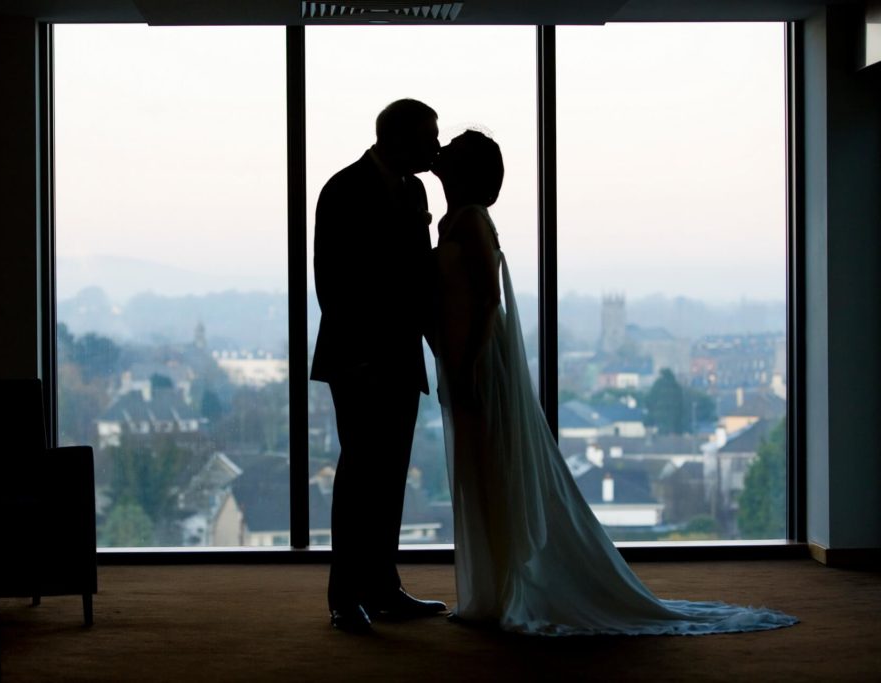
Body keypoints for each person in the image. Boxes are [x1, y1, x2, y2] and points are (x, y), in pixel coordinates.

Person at [431, 129, 798, 636]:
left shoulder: (469, 222)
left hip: (473, 362)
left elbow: (488, 304)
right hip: (462, 359)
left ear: (463, 170)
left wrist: (467, 363)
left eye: (449, 149)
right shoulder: (459, 219)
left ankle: (498, 589)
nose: (439, 152)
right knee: (482, 469)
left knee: (487, 469)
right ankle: (494, 587)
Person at [311, 99, 448, 633]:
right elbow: (332, 283)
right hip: (358, 361)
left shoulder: (416, 191)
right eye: (428, 136)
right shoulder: (342, 188)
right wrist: (361, 356)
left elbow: (415, 279)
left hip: (399, 357)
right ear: (397, 138)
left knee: (390, 477)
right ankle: (345, 598)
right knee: (359, 478)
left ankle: (383, 589)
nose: (435, 147)